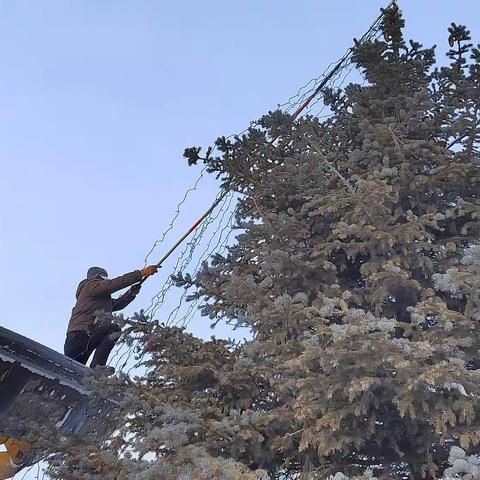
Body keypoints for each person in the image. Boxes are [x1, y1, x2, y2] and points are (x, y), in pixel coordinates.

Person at [64, 265, 157, 369]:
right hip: (80, 335)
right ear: (96, 276)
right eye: (103, 275)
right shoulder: (90, 285)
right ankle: (98, 367)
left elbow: (115, 305)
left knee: (74, 372)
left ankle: (95, 372)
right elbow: (113, 284)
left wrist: (130, 294)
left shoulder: (97, 299)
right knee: (113, 329)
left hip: (78, 341)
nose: (106, 278)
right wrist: (141, 273)